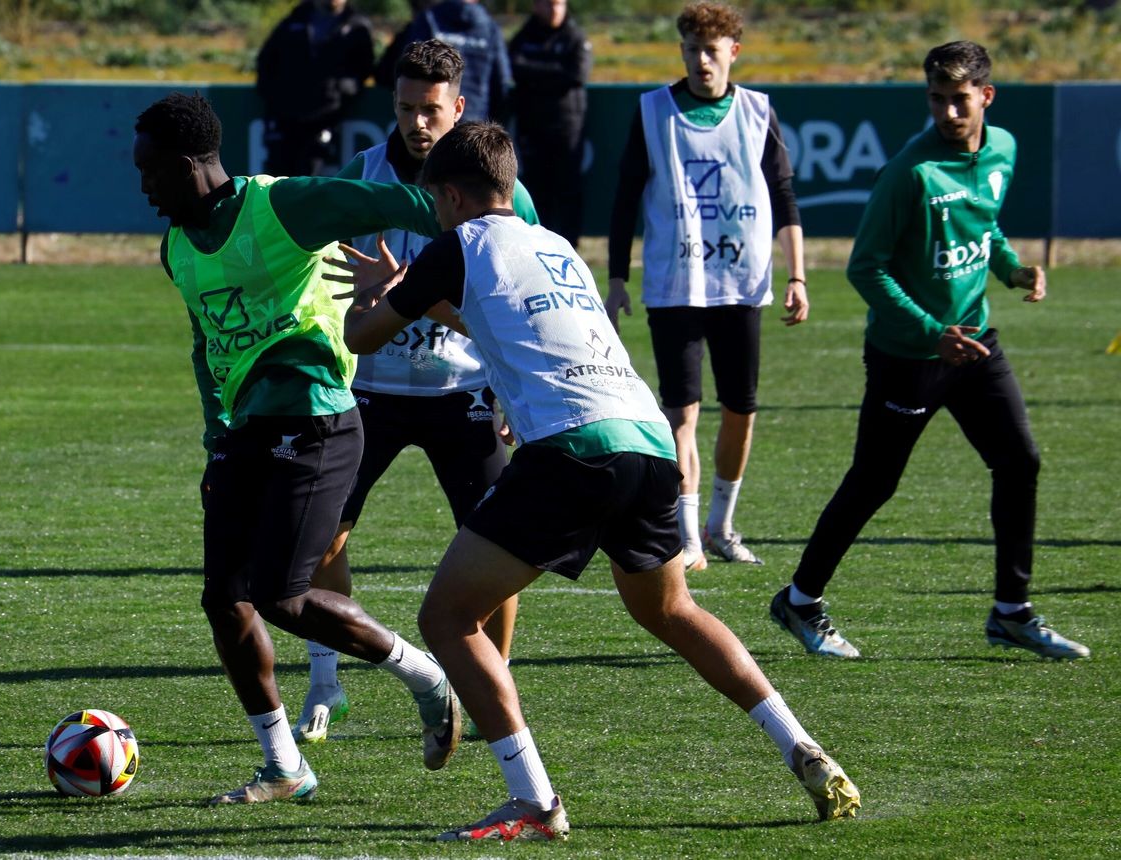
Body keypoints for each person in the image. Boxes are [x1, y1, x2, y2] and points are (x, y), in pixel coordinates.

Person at [337, 121, 860, 840]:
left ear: (453, 196)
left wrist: (379, 291)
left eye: (437, 202)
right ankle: (800, 742)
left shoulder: (456, 244)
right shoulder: (554, 246)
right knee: (672, 611)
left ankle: (534, 800)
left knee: (446, 618)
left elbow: (361, 339)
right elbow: (504, 327)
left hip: (573, 450)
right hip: (646, 441)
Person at [131, 92, 462, 805]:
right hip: (242, 432)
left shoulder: (283, 206)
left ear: (190, 166)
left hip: (317, 421)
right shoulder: (178, 247)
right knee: (224, 598)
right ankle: (285, 766)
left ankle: (424, 674)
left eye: (151, 172)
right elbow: (205, 342)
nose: (143, 188)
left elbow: (406, 203)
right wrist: (215, 429)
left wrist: (501, 225)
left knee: (281, 596)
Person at [768, 41, 1090, 661]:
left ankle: (1012, 612)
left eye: (959, 99)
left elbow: (984, 223)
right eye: (938, 100)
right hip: (908, 356)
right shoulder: (910, 172)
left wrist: (1013, 269)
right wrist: (927, 329)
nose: (947, 112)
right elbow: (866, 268)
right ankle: (800, 600)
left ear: (986, 97)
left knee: (1019, 462)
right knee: (874, 482)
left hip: (976, 342)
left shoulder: (1003, 149)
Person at [290, 39, 542, 745]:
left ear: (459, 107)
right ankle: (324, 680)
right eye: (405, 108)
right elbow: (311, 271)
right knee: (321, 538)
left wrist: (515, 394)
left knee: (501, 547)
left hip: (463, 390)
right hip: (368, 389)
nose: (417, 124)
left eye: (431, 110)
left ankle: (498, 680)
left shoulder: (502, 192)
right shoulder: (360, 176)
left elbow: (525, 297)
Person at [605, 1, 808, 571]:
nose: (701, 61)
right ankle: (688, 534)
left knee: (741, 410)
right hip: (674, 287)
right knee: (681, 415)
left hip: (741, 285)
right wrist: (617, 277)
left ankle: (722, 524)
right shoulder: (653, 112)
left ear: (733, 53)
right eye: (691, 49)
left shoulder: (757, 112)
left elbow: (785, 197)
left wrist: (797, 275)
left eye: (711, 50)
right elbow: (624, 199)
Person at [255, 0, 376, 177]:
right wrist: (278, 98)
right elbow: (266, 62)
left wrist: (341, 91)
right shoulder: (294, 19)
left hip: (325, 119)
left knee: (310, 180)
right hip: (286, 120)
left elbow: (364, 69)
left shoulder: (356, 25)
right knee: (277, 181)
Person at [508, 0, 593, 246]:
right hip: (532, 132)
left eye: (558, 4)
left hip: (568, 132)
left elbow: (577, 74)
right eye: (548, 4)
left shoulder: (574, 36)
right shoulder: (525, 36)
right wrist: (554, 73)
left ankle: (570, 250)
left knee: (568, 194)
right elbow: (512, 66)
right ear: (536, 5)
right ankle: (535, 250)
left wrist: (532, 74)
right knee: (535, 194)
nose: (554, 9)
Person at [377, 0, 511, 123]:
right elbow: (502, 82)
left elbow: (406, 68)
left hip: (432, 121)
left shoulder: (430, 19)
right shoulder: (490, 27)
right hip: (477, 122)